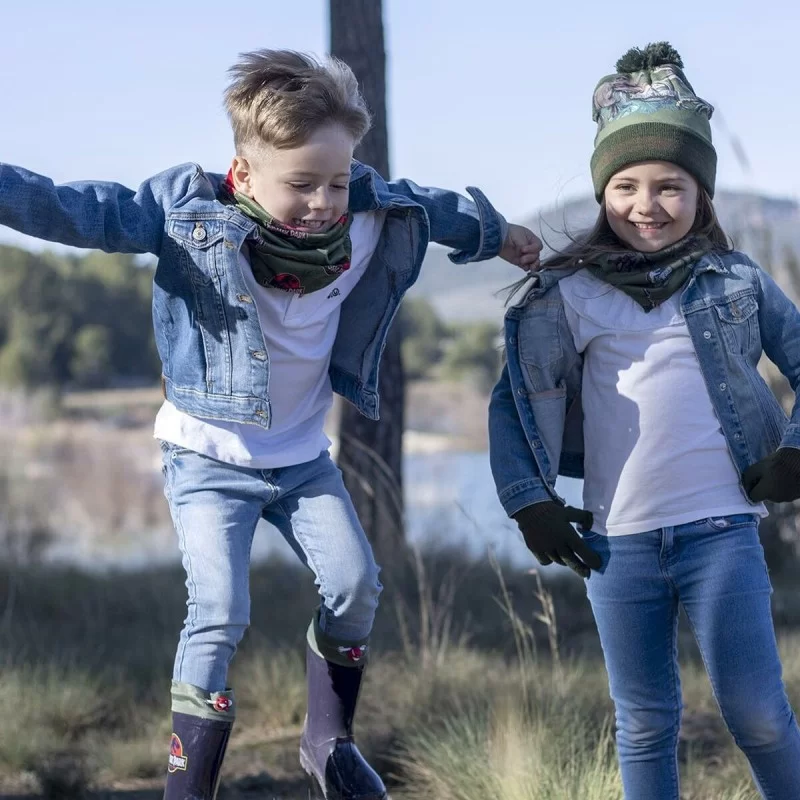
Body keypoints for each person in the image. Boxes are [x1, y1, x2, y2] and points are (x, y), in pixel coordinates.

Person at [0, 49, 542, 800]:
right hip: (206, 455)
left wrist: (501, 232)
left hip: (299, 458)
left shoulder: (368, 210)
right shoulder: (188, 216)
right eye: (302, 184)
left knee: (357, 586)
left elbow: (436, 206)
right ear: (245, 175)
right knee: (220, 611)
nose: (324, 200)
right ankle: (187, 789)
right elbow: (79, 210)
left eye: (337, 179)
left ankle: (327, 742)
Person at [488, 41, 800, 799]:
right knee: (646, 721)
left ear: (702, 194)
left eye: (670, 185)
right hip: (616, 543)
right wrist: (530, 501)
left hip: (721, 532)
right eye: (625, 185)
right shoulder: (567, 293)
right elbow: (513, 401)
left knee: (758, 714)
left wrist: (797, 449)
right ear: (602, 193)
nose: (646, 204)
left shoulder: (736, 280)